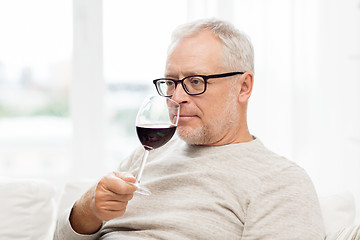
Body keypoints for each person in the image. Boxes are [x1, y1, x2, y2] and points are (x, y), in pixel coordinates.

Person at [54, 18, 325, 240]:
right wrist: (88, 207)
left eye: (196, 81)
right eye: (171, 82)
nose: (177, 97)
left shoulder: (281, 181)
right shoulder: (148, 154)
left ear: (243, 87)